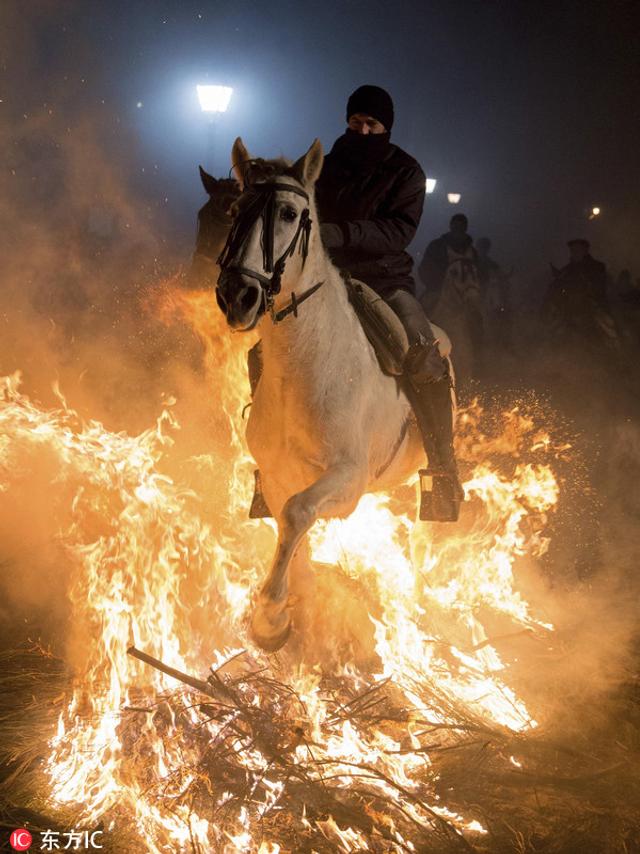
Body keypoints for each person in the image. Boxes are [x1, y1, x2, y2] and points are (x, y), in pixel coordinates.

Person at [315, 84, 463, 519]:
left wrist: (342, 234)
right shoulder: (322, 165)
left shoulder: (405, 172)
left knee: (425, 358)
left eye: (372, 124)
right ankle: (267, 470)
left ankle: (443, 472)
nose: (363, 130)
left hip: (384, 281)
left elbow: (399, 231)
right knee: (267, 348)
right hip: (324, 278)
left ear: (386, 127)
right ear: (347, 120)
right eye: (357, 121)